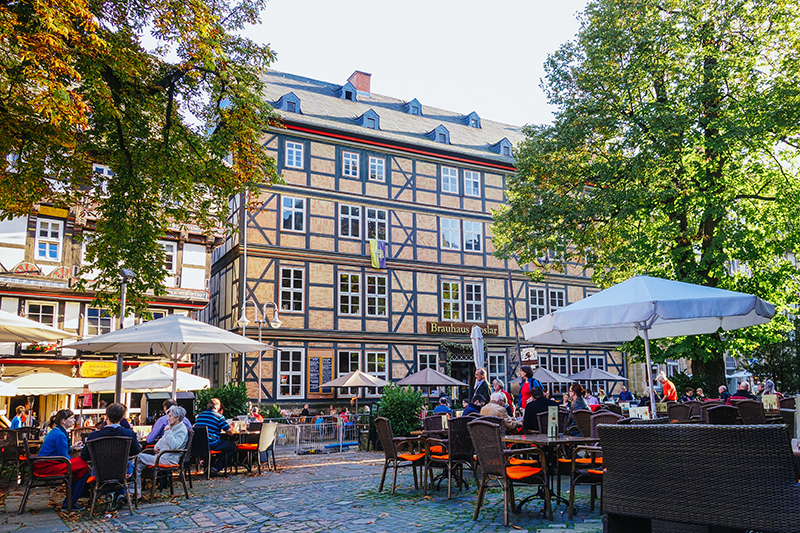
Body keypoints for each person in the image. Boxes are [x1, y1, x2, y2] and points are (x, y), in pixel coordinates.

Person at [35, 409, 90, 511]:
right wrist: (74, 463)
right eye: (71, 418)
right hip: (48, 466)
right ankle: (71, 501)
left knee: (82, 464)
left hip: (45, 463)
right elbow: (63, 457)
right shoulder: (60, 435)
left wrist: (72, 447)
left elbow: (58, 451)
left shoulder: (57, 432)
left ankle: (72, 499)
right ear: (63, 421)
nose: (74, 420)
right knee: (84, 465)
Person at [135, 405, 189, 499]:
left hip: (169, 460)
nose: (168, 418)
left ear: (177, 418)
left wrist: (167, 432)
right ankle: (136, 492)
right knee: (137, 464)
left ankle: (133, 491)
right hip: (161, 457)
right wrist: (156, 447)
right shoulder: (172, 427)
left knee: (138, 457)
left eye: (170, 416)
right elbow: (161, 441)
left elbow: (175, 445)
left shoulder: (181, 430)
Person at [193, 398, 236, 476]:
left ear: (208, 405)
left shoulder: (200, 416)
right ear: (218, 407)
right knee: (231, 446)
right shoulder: (219, 417)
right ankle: (215, 468)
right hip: (211, 443)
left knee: (222, 444)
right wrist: (234, 426)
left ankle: (209, 467)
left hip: (199, 445)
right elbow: (231, 433)